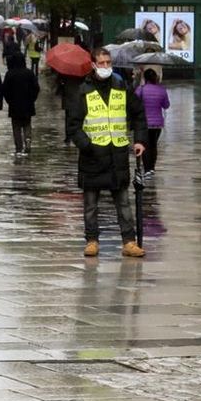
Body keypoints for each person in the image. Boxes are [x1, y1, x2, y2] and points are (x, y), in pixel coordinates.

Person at [66, 47, 147, 257]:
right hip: (92, 157)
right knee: (91, 204)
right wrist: (86, 145)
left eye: (108, 63)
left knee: (123, 202)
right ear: (93, 65)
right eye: (101, 63)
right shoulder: (83, 90)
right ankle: (92, 240)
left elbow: (138, 113)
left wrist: (139, 140)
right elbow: (73, 125)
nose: (105, 67)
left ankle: (129, 242)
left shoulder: (121, 86)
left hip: (117, 155)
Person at [134, 69, 170, 177]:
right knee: (153, 145)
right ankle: (152, 167)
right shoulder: (162, 90)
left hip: (144, 123)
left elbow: (134, 103)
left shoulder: (141, 89)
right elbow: (166, 105)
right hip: (157, 123)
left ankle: (147, 169)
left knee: (145, 145)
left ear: (144, 78)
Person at [2, 52, 40, 155]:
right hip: (28, 104)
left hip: (14, 105)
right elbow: (36, 88)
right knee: (27, 124)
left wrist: (9, 101)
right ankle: (27, 140)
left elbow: (4, 90)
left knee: (16, 126)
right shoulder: (29, 73)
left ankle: (19, 147)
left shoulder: (10, 74)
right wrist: (32, 99)